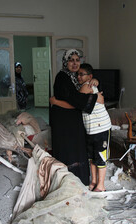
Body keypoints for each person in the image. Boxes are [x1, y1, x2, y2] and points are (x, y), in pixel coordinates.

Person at [51, 63, 111, 192]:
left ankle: (100, 185)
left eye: (81, 74)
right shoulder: (80, 83)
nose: (78, 76)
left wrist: (55, 102)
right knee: (92, 157)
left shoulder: (85, 87)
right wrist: (95, 83)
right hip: (91, 128)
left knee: (100, 156)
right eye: (78, 74)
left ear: (89, 76)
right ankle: (94, 181)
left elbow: (75, 102)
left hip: (100, 127)